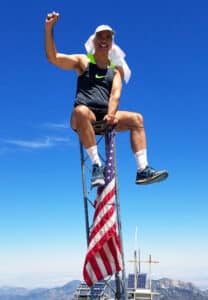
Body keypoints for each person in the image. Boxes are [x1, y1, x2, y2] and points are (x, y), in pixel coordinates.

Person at [45, 11, 168, 187]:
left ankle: (142, 170)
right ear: (94, 41)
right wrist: (49, 28)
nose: (104, 39)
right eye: (100, 36)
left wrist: (111, 115)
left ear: (111, 43)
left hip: (105, 114)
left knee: (137, 119)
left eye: (108, 37)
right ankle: (97, 166)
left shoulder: (116, 71)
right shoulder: (83, 61)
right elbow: (53, 58)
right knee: (80, 111)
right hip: (84, 116)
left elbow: (115, 94)